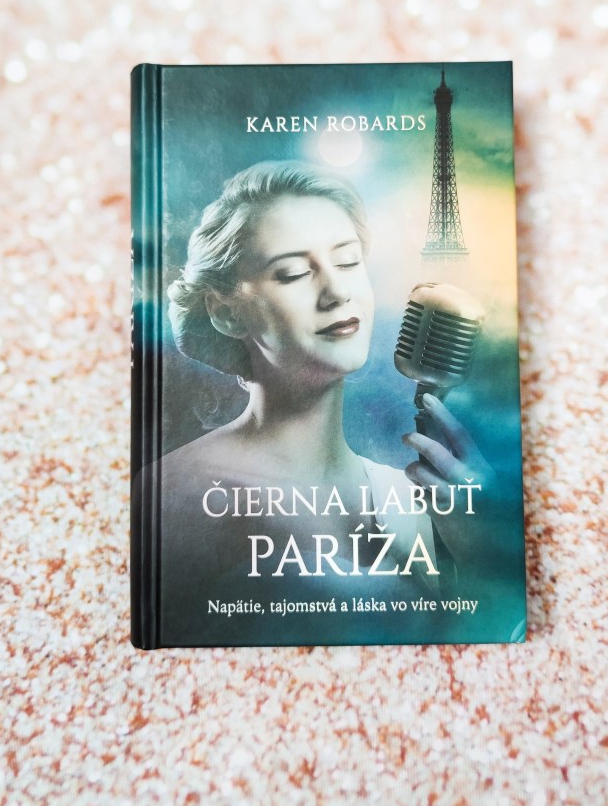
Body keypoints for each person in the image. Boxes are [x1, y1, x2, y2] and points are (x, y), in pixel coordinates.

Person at [143, 161, 492, 644]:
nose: (337, 292)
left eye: (348, 262)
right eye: (292, 273)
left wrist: (482, 559)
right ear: (225, 313)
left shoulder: (409, 495)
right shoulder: (176, 494)